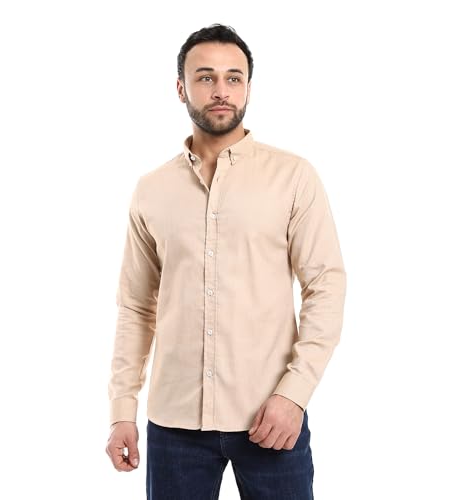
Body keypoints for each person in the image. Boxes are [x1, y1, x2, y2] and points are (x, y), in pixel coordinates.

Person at [105, 23, 347, 500]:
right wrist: (121, 410)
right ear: (181, 88)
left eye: (233, 78)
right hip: (174, 426)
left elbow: (326, 286)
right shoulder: (151, 190)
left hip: (272, 418)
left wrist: (294, 394)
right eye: (206, 77)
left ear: (248, 88)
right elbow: (135, 306)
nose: (221, 91)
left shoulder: (293, 177)